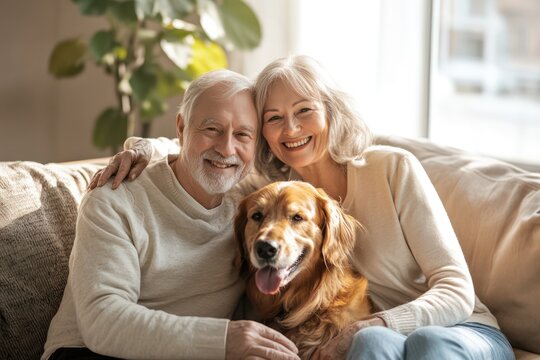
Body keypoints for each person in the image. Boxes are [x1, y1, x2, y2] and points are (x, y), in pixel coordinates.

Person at [93, 56, 515, 360]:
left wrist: (376, 324)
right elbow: (203, 147)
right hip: (373, 341)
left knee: (425, 345)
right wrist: (140, 148)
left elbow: (457, 290)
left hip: (459, 330)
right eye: (273, 118)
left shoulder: (392, 168)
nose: (290, 130)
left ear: (331, 111)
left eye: (304, 111)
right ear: (263, 133)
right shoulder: (269, 194)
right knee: (369, 348)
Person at [42, 70, 300, 360]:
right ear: (182, 127)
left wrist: (144, 146)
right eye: (212, 129)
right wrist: (224, 340)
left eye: (242, 134)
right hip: (89, 351)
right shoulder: (113, 199)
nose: (227, 148)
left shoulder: (251, 203)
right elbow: (103, 322)